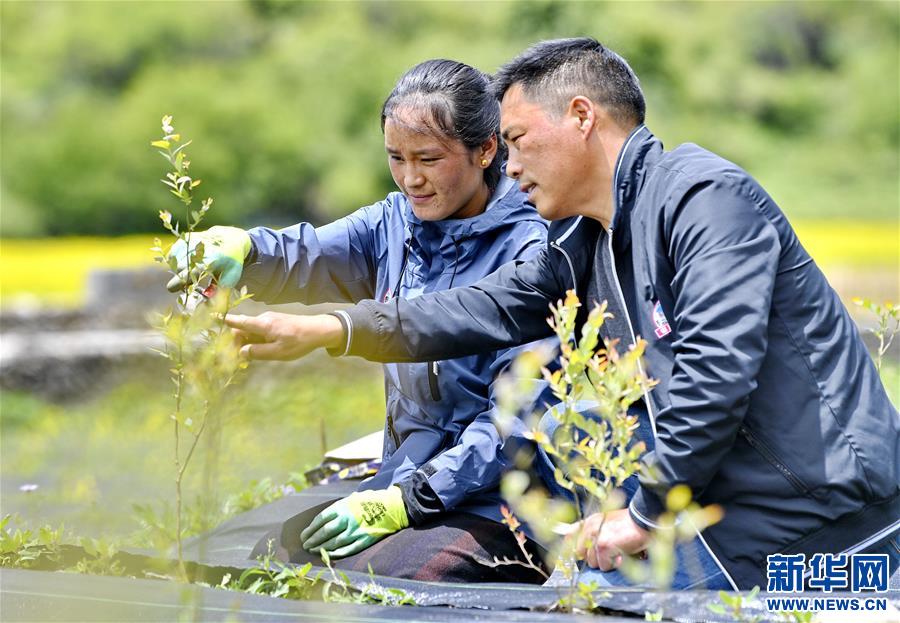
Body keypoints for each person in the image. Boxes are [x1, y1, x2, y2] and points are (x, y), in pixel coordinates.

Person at [223, 38, 900, 591]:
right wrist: (334, 329)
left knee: (587, 601)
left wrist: (642, 514)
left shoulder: (705, 198)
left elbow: (717, 373)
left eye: (516, 140)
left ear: (581, 117)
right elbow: (479, 307)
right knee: (573, 590)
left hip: (820, 509)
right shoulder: (587, 241)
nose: (508, 167)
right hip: (726, 504)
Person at [169, 59, 551, 582]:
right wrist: (246, 249)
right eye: (396, 157)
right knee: (275, 562)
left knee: (395, 583)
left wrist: (406, 501)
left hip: (502, 499)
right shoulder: (395, 222)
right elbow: (309, 254)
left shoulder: (535, 250)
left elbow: (518, 421)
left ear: (486, 149)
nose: (411, 177)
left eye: (429, 159)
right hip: (405, 478)